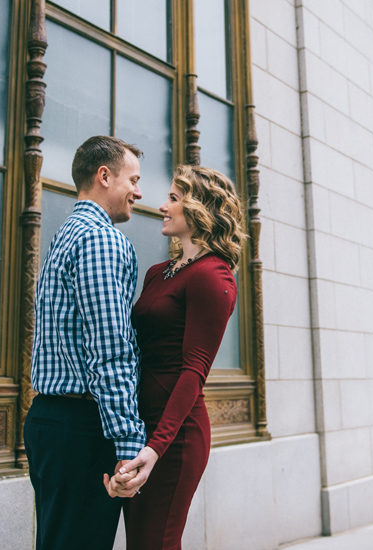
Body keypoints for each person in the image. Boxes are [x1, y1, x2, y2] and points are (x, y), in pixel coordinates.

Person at [106, 165, 247, 550]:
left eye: (173, 198)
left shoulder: (213, 276)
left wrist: (155, 448)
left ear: (199, 207)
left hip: (176, 436)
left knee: (156, 543)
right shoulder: (159, 273)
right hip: (140, 428)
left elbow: (193, 372)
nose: (162, 206)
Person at [25, 135, 146, 550]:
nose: (138, 192)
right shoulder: (100, 240)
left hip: (51, 421)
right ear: (104, 176)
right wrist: (128, 441)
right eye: (133, 180)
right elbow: (109, 348)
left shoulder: (66, 235)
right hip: (82, 430)